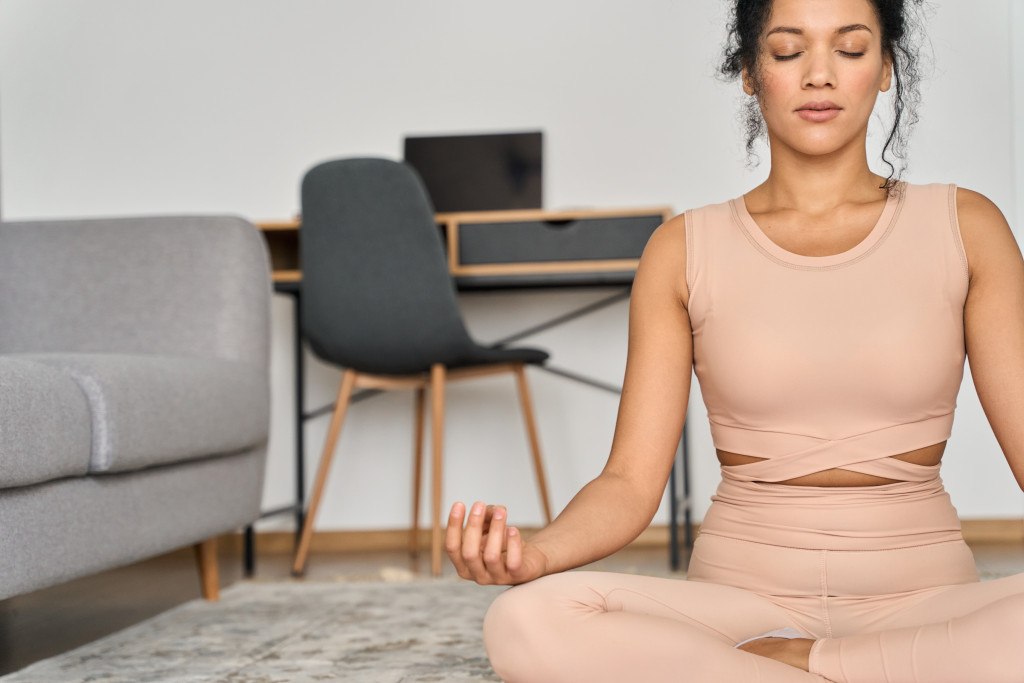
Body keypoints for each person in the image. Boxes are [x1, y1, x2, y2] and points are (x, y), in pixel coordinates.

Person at [445, 0, 1024, 680]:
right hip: (740, 611)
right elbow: (630, 482)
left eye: (850, 48)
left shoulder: (967, 226)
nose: (818, 75)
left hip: (926, 602)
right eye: (786, 51)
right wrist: (537, 555)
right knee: (526, 620)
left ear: (887, 66)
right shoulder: (682, 249)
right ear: (750, 73)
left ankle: (805, 665)